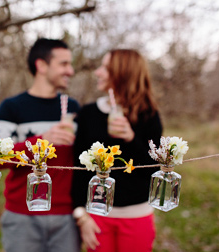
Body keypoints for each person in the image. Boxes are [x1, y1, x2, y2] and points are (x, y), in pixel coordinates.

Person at [0, 38, 80, 252]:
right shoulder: (12, 107)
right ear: (41, 65)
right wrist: (42, 141)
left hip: (66, 217)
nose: (71, 71)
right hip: (22, 216)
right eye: (64, 64)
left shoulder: (72, 108)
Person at [71, 49, 162, 252]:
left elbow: (154, 169)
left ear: (122, 73)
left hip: (136, 217)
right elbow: (77, 168)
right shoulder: (88, 114)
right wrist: (81, 215)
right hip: (96, 216)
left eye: (105, 67)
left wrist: (131, 138)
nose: (98, 72)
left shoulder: (148, 114)